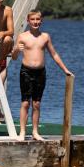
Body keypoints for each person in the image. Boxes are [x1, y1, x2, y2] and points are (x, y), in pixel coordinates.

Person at [11, 10, 73, 141]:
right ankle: (22, 132)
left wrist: (65, 70)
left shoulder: (45, 37)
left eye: (37, 19)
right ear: (28, 21)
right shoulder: (22, 36)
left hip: (40, 72)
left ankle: (35, 131)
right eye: (32, 19)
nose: (35, 22)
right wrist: (16, 49)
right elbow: (15, 57)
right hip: (26, 71)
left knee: (37, 104)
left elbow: (54, 54)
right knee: (25, 103)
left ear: (41, 20)